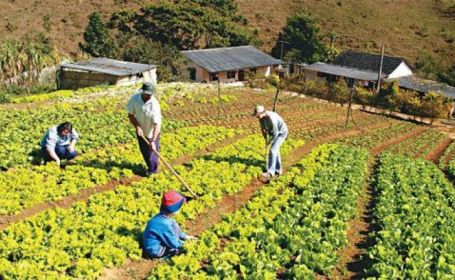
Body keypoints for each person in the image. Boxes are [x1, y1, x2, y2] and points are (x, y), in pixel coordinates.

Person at [142, 190, 197, 258]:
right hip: (156, 249)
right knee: (177, 250)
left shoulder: (164, 217)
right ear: (174, 210)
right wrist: (187, 244)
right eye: (180, 207)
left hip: (162, 241)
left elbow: (177, 231)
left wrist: (186, 237)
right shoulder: (163, 224)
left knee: (174, 224)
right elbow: (173, 243)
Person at [126, 82, 162, 176]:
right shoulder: (135, 99)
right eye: (148, 94)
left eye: (151, 94)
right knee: (145, 151)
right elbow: (130, 114)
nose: (150, 96)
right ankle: (151, 167)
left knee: (152, 152)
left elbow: (157, 124)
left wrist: (153, 141)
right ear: (143, 92)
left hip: (152, 132)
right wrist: (137, 126)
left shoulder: (154, 104)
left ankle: (153, 171)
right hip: (141, 131)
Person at [252, 105, 288, 182]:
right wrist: (265, 137)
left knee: (272, 150)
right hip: (274, 133)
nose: (256, 117)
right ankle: (278, 170)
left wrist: (269, 141)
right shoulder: (261, 118)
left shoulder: (272, 119)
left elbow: (276, 133)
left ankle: (271, 172)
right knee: (276, 150)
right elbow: (263, 128)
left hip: (281, 133)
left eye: (257, 115)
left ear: (262, 113)